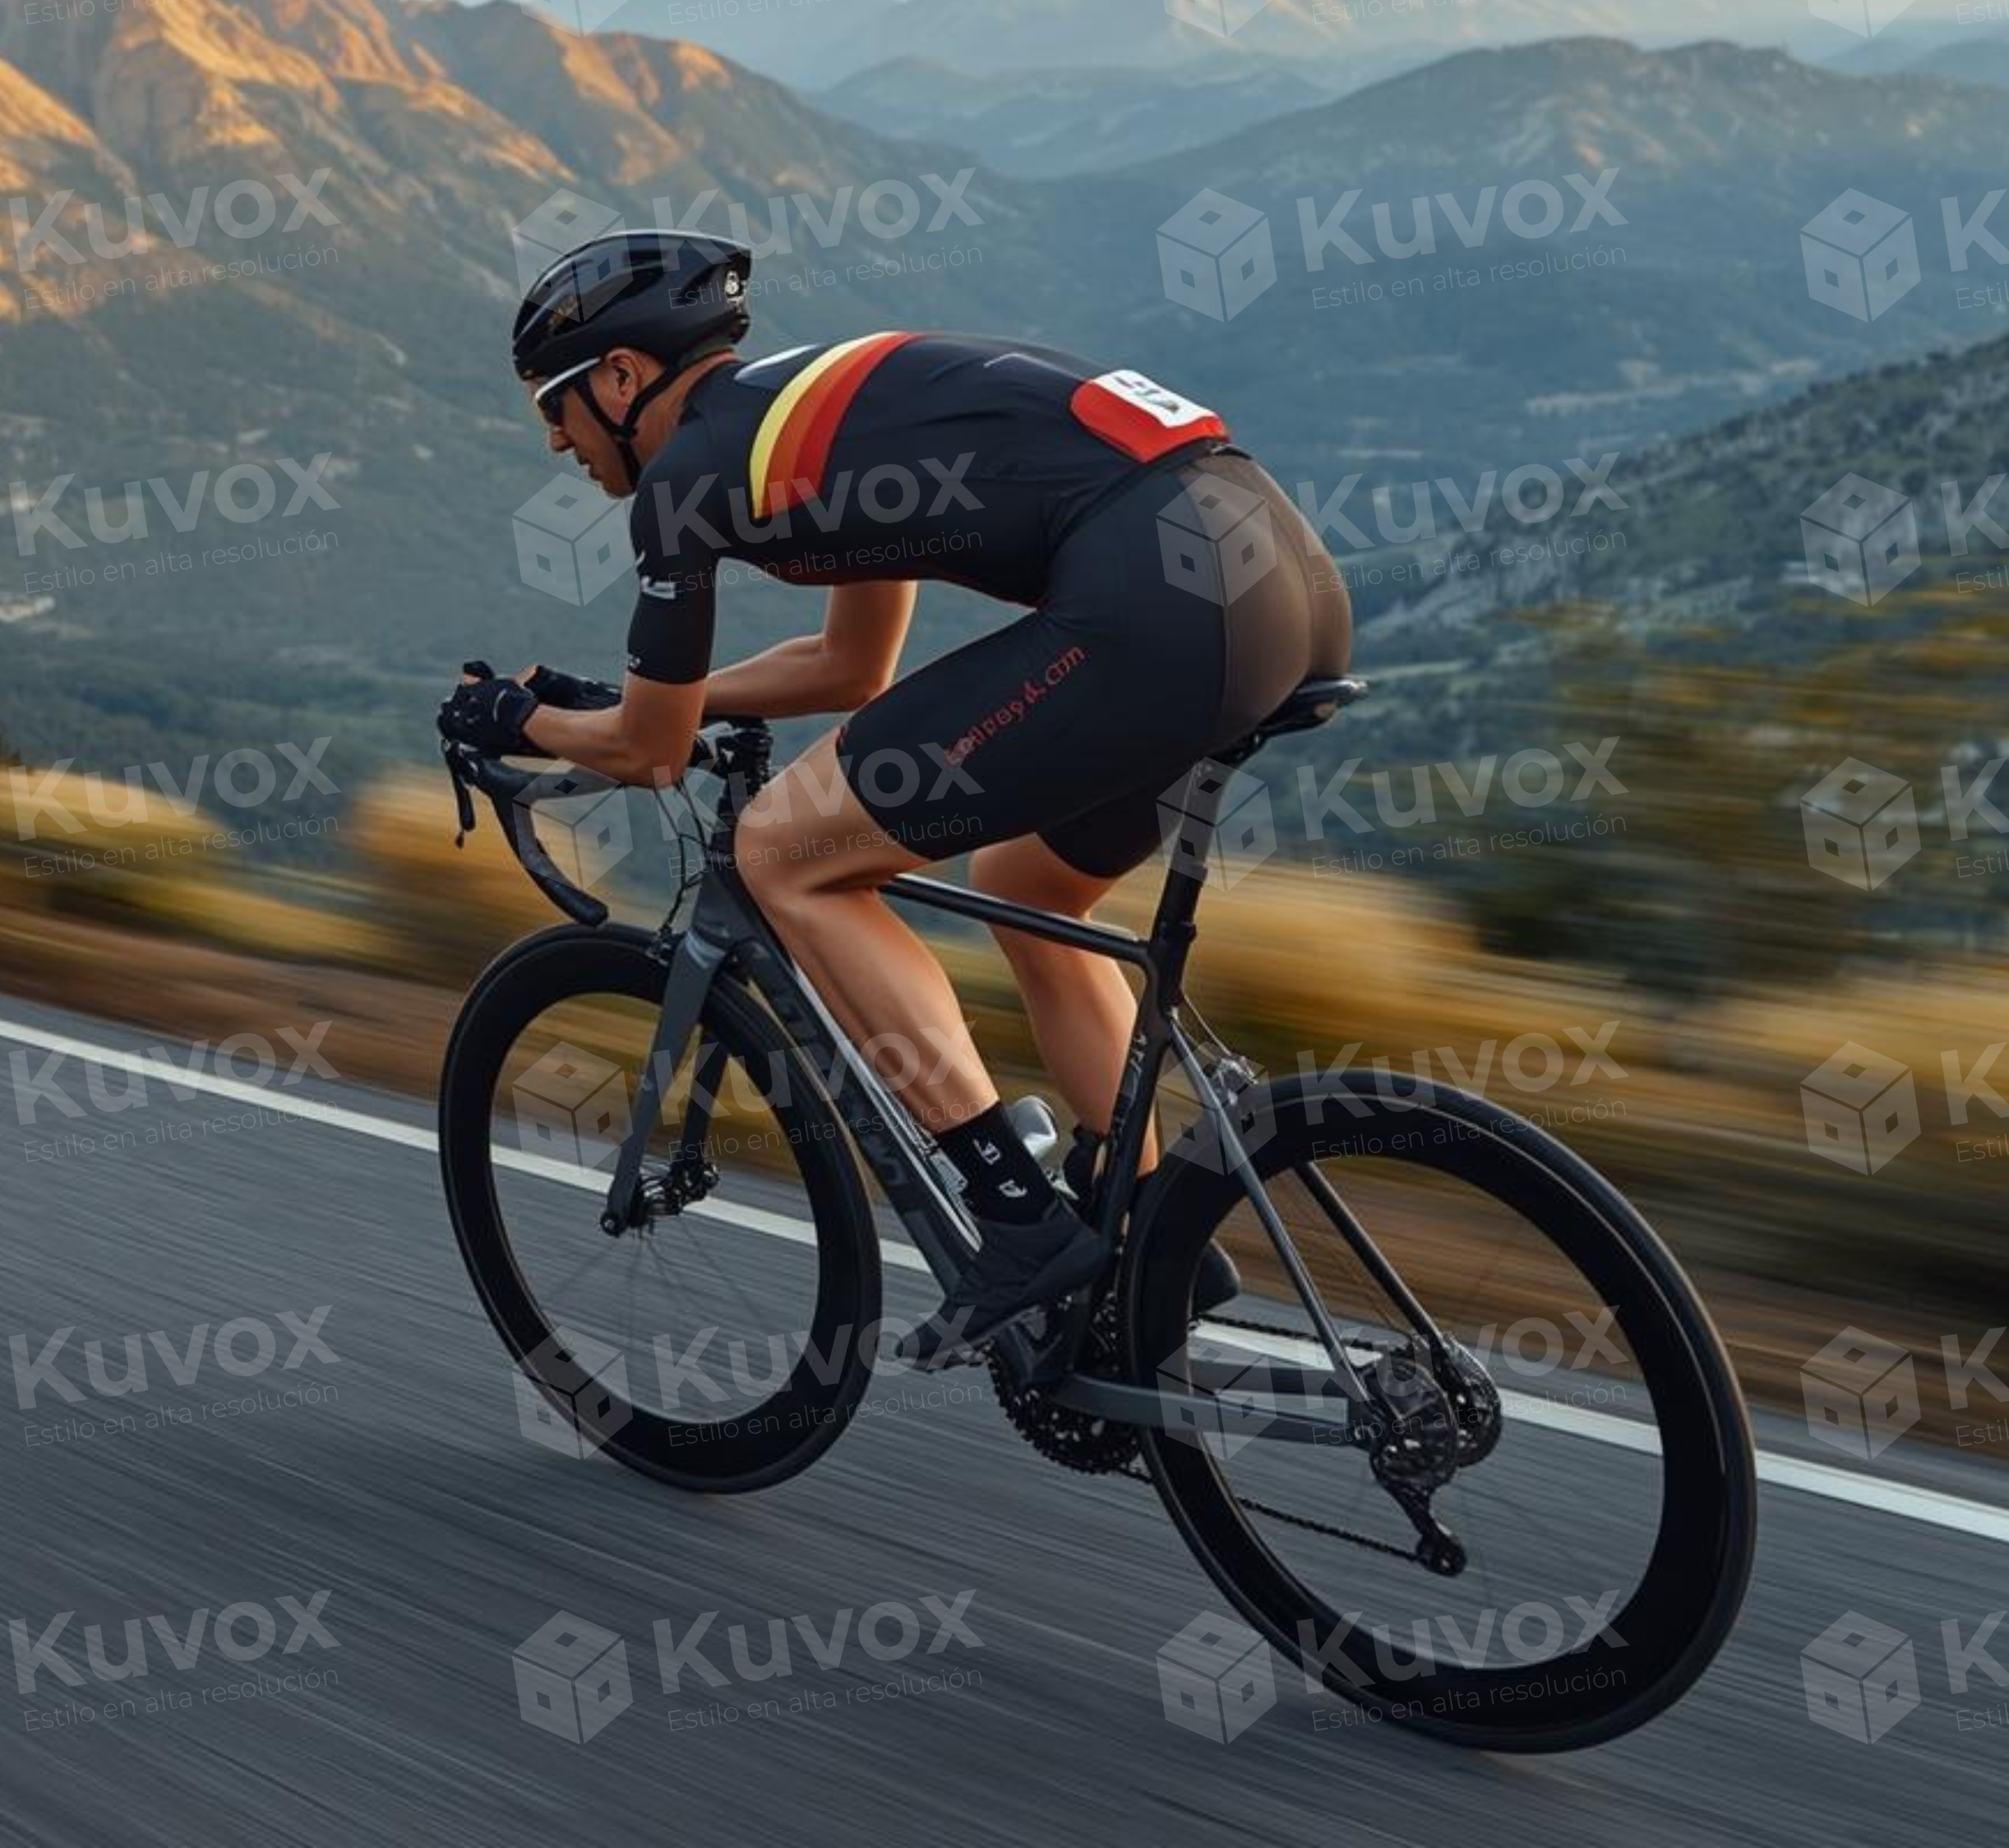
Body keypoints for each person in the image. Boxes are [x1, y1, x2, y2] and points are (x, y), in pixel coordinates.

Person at [444, 228, 1351, 1364]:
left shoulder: (684, 481)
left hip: (1162, 603)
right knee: (1029, 882)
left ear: (623, 378)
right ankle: (1151, 1218)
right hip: (1275, 580)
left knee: (784, 856)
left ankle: (1018, 1220)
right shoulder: (808, 420)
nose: (553, 435)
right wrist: (654, 702)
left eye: (557, 401)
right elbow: (847, 673)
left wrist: (519, 721)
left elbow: (649, 752)